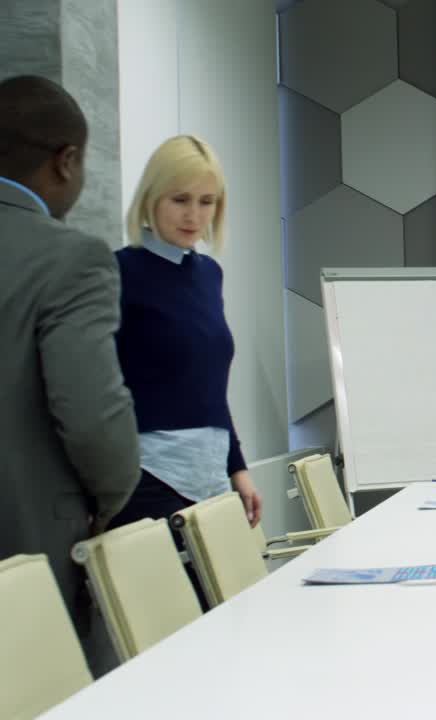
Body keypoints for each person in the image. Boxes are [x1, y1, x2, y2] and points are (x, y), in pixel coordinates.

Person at [0, 75, 140, 664]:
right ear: (67, 160)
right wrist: (110, 498)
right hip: (28, 542)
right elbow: (90, 414)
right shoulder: (72, 259)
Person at [107, 135, 262, 603]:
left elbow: (211, 387)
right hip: (146, 479)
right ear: (151, 198)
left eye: (207, 202)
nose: (194, 215)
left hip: (212, 477)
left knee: (229, 621)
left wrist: (238, 468)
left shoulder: (208, 274)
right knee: (168, 633)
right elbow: (100, 389)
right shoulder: (116, 272)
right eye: (180, 200)